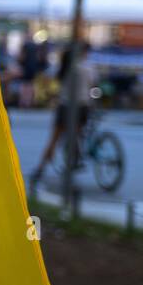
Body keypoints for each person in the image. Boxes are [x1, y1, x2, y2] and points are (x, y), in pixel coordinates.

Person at [30, 39, 94, 184]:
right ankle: (76, 159)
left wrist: (53, 94)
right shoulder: (87, 68)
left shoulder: (63, 66)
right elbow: (92, 85)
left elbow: (46, 79)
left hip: (65, 106)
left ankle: (40, 169)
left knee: (54, 139)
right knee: (77, 135)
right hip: (83, 107)